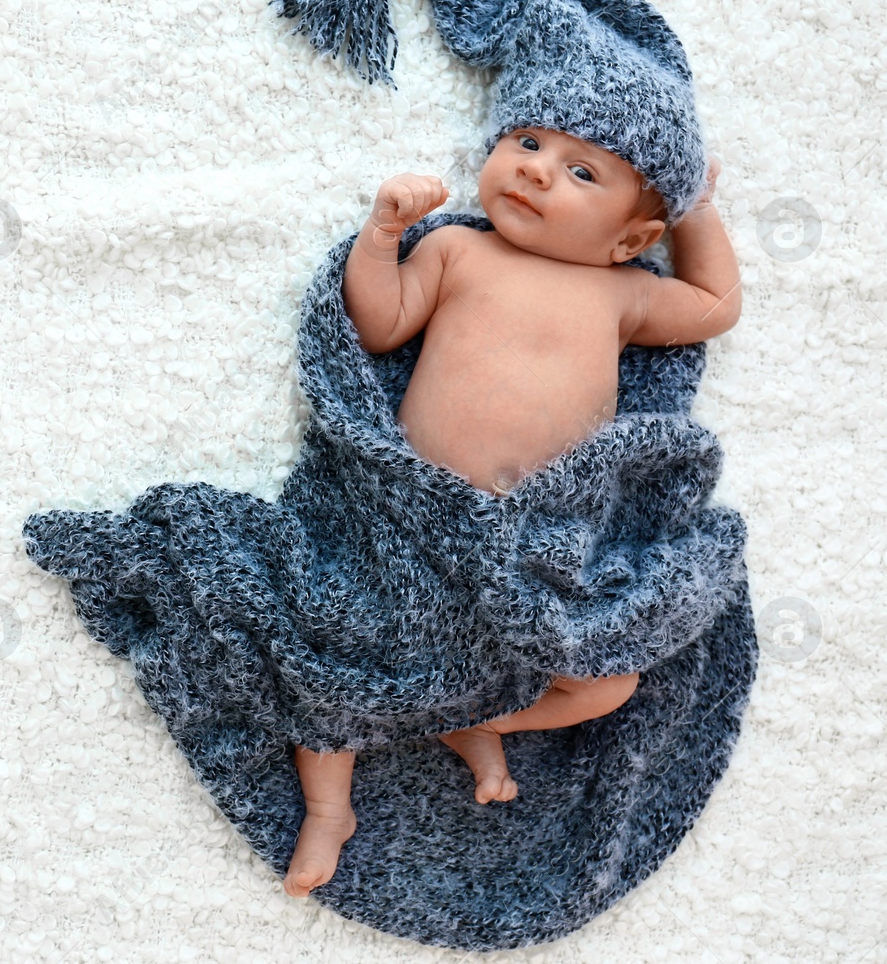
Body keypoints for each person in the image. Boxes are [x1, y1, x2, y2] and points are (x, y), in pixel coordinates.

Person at [282, 128, 739, 899]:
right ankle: (329, 808)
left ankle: (489, 720)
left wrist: (695, 205)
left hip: (538, 552)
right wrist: (382, 235)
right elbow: (379, 323)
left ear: (632, 238)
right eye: (527, 140)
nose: (535, 167)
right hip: (416, 530)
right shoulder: (461, 250)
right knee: (327, 659)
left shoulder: (620, 292)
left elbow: (714, 306)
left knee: (609, 684)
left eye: (581, 172)